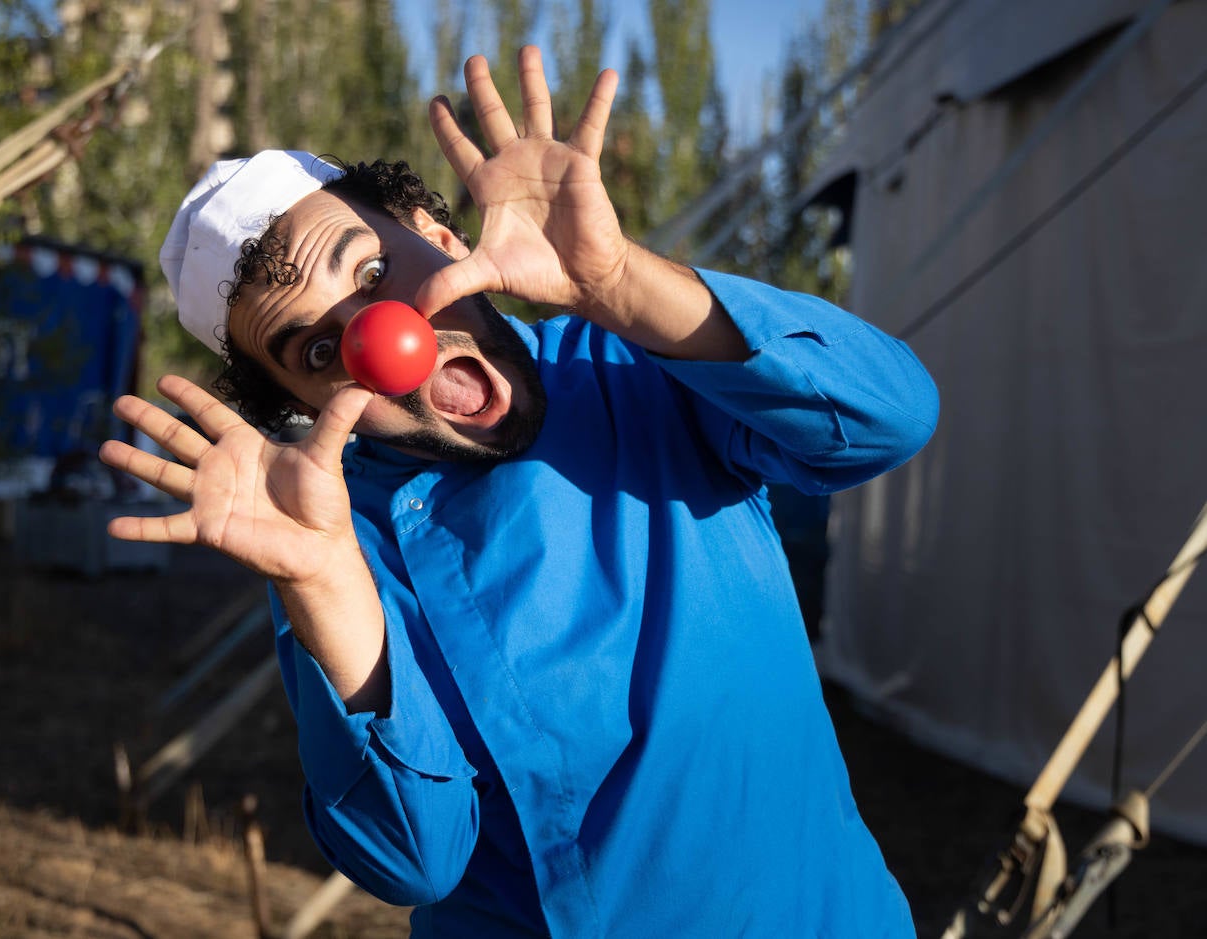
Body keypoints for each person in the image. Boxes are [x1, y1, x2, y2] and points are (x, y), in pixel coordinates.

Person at [100, 46, 938, 938]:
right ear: (302, 405)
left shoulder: (642, 371)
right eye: (315, 351)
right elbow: (411, 860)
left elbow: (889, 416)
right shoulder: (333, 536)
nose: (380, 342)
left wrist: (618, 283)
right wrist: (322, 582)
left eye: (376, 275)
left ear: (442, 232)